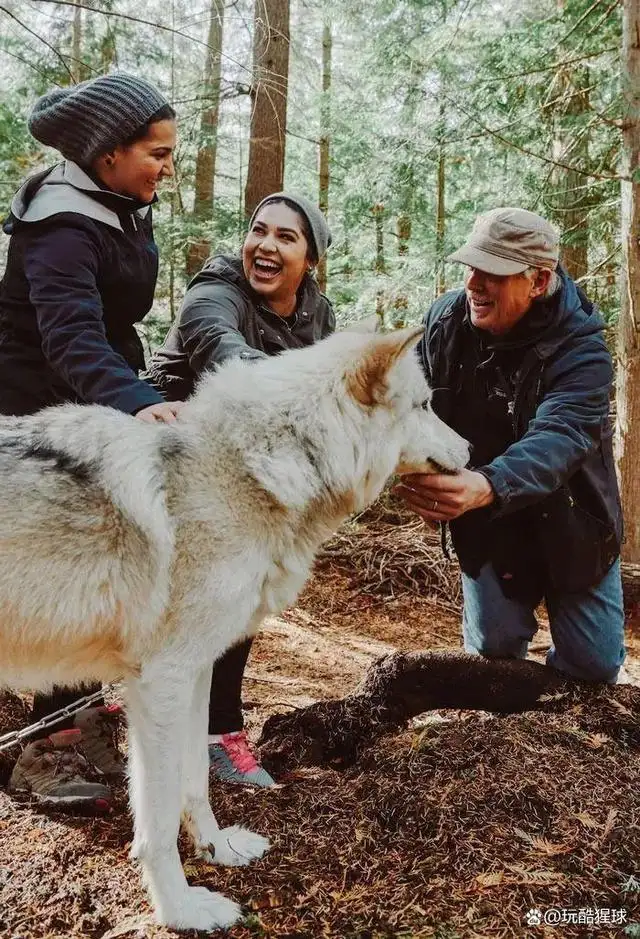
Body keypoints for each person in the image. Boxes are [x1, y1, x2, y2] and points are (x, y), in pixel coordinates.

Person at [0, 72, 181, 809]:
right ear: (108, 154)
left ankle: (75, 712)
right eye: (156, 153)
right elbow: (71, 338)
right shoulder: (61, 226)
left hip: (92, 405)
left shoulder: (117, 204)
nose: (166, 165)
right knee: (62, 570)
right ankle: (47, 748)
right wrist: (140, 404)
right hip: (37, 414)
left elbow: (107, 327)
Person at [146, 192, 335, 786]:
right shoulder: (215, 291)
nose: (267, 246)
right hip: (167, 456)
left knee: (239, 596)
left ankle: (212, 729)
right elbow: (220, 348)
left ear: (310, 260)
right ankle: (206, 732)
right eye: (260, 231)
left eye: (287, 237)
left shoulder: (317, 315)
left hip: (244, 478)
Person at [396, 207, 626, 684]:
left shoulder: (582, 349)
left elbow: (559, 437)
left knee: (595, 667)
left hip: (573, 524)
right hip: (490, 527)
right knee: (493, 655)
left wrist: (486, 484)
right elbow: (403, 402)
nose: (475, 284)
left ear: (538, 282)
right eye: (471, 268)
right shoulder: (444, 323)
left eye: (493, 273)